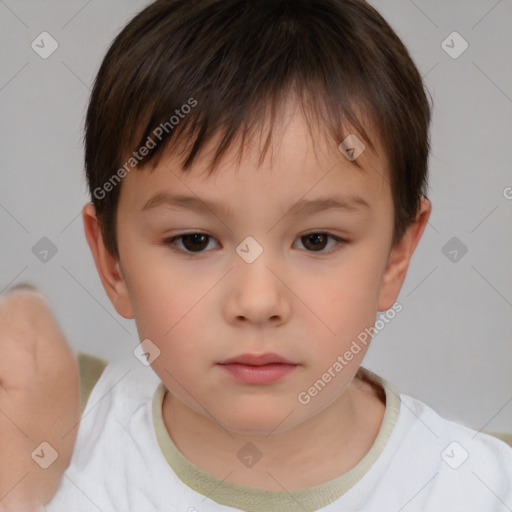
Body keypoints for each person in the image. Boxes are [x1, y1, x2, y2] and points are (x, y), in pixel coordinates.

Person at [1, 0, 511, 510]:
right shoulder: (46, 458)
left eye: (316, 240)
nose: (258, 301)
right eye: (194, 241)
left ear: (396, 255)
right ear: (112, 261)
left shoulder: (479, 490)